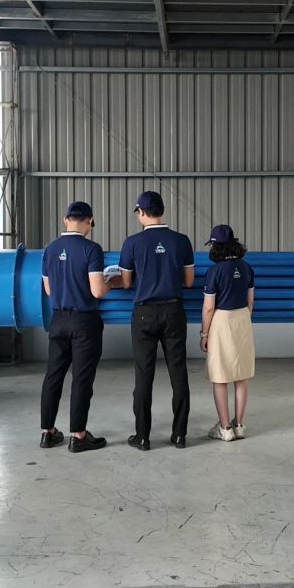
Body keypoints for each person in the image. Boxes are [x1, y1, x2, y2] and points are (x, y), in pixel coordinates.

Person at [118, 190, 195, 450]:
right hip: (174, 311)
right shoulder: (182, 241)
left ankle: (142, 436)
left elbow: (126, 282)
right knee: (178, 373)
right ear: (163, 210)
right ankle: (180, 435)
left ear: (141, 212)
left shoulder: (132, 243)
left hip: (144, 313)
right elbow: (188, 281)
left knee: (143, 376)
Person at [39, 201, 114, 453]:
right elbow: (97, 290)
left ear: (65, 219)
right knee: (81, 378)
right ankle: (78, 436)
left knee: (53, 376)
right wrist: (111, 282)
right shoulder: (92, 249)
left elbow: (48, 289)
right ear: (89, 220)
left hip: (58, 319)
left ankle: (48, 433)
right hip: (83, 320)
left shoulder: (50, 249)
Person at [199, 224, 255, 442]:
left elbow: (208, 308)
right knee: (241, 375)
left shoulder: (214, 271)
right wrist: (242, 318)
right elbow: (251, 302)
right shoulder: (247, 268)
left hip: (221, 320)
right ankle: (239, 424)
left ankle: (224, 428)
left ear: (215, 246)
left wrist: (205, 334)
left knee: (220, 376)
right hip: (242, 318)